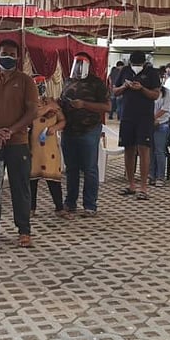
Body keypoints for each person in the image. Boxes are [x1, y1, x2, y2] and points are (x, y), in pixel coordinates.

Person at [0, 39, 39, 248]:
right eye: (4, 53)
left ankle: (24, 231)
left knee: (19, 187)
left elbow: (32, 111)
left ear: (18, 57)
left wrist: (10, 131)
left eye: (12, 54)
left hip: (18, 142)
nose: (8, 57)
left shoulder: (25, 81)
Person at [60, 52, 110, 217]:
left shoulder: (97, 83)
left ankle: (90, 205)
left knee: (89, 168)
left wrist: (84, 105)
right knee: (71, 169)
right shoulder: (68, 81)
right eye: (76, 63)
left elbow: (107, 107)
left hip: (89, 130)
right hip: (68, 130)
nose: (79, 68)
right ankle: (70, 202)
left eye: (82, 64)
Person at [114, 52, 161, 201]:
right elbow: (115, 91)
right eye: (134, 64)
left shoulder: (152, 73)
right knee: (128, 149)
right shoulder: (125, 71)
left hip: (144, 117)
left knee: (144, 150)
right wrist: (124, 86)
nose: (136, 67)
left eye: (138, 65)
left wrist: (141, 88)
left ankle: (144, 187)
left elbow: (155, 95)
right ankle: (131, 184)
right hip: (127, 116)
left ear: (144, 63)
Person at [29, 75, 67, 217]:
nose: (40, 87)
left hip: (50, 147)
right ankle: (30, 209)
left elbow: (63, 120)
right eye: (37, 85)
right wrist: (47, 108)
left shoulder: (52, 101)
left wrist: (56, 127)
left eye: (42, 84)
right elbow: (31, 115)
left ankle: (59, 207)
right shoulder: (28, 103)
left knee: (54, 178)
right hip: (32, 146)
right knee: (32, 179)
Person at [148, 85, 170, 187]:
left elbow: (165, 109)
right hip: (149, 124)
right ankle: (151, 175)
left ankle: (160, 177)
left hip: (162, 124)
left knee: (159, 151)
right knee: (150, 151)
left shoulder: (166, 93)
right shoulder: (148, 91)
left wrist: (153, 118)